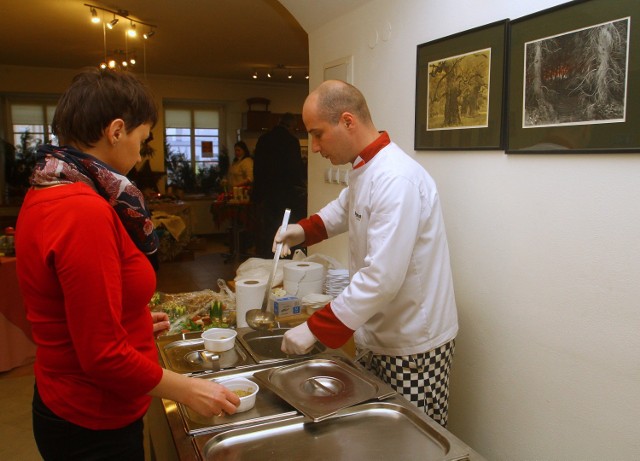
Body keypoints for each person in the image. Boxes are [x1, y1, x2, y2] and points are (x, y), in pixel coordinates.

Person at [15, 68, 240, 461]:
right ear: (116, 131)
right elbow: (101, 357)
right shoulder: (82, 210)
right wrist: (189, 390)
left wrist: (127, 319)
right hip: (92, 417)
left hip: (69, 400)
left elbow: (72, 307)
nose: (141, 153)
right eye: (143, 138)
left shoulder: (49, 185)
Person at [277, 80, 459, 427]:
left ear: (347, 121)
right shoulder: (366, 167)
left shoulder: (396, 179)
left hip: (412, 342)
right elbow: (346, 209)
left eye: (317, 134)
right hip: (377, 331)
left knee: (410, 441)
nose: (314, 147)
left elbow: (382, 279)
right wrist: (302, 230)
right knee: (379, 436)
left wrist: (314, 328)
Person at [252, 112, 307, 258]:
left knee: (267, 232)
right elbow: (296, 169)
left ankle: (267, 259)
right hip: (287, 194)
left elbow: (257, 169)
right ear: (292, 125)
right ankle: (285, 260)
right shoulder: (291, 141)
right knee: (285, 229)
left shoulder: (263, 140)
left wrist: (256, 196)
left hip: (266, 194)